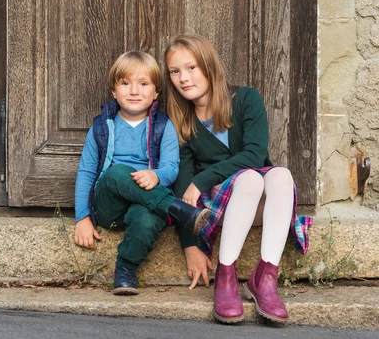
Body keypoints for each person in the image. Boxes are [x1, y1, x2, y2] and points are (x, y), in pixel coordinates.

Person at [164, 34, 312, 324]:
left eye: (191, 67)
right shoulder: (181, 121)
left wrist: (202, 178)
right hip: (219, 208)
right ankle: (226, 275)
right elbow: (183, 188)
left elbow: (255, 156)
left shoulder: (246, 99)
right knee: (250, 180)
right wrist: (190, 246)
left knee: (279, 175)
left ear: (208, 66)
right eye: (175, 71)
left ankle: (266, 278)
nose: (184, 77)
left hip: (257, 203)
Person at [74, 50, 211, 295]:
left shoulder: (163, 126)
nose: (134, 91)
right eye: (125, 84)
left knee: (148, 220)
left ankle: (125, 269)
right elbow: (86, 172)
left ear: (156, 92)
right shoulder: (102, 127)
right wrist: (83, 217)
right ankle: (177, 210)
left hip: (147, 203)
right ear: (114, 91)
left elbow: (171, 167)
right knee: (117, 173)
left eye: (143, 84)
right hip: (110, 206)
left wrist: (157, 176)